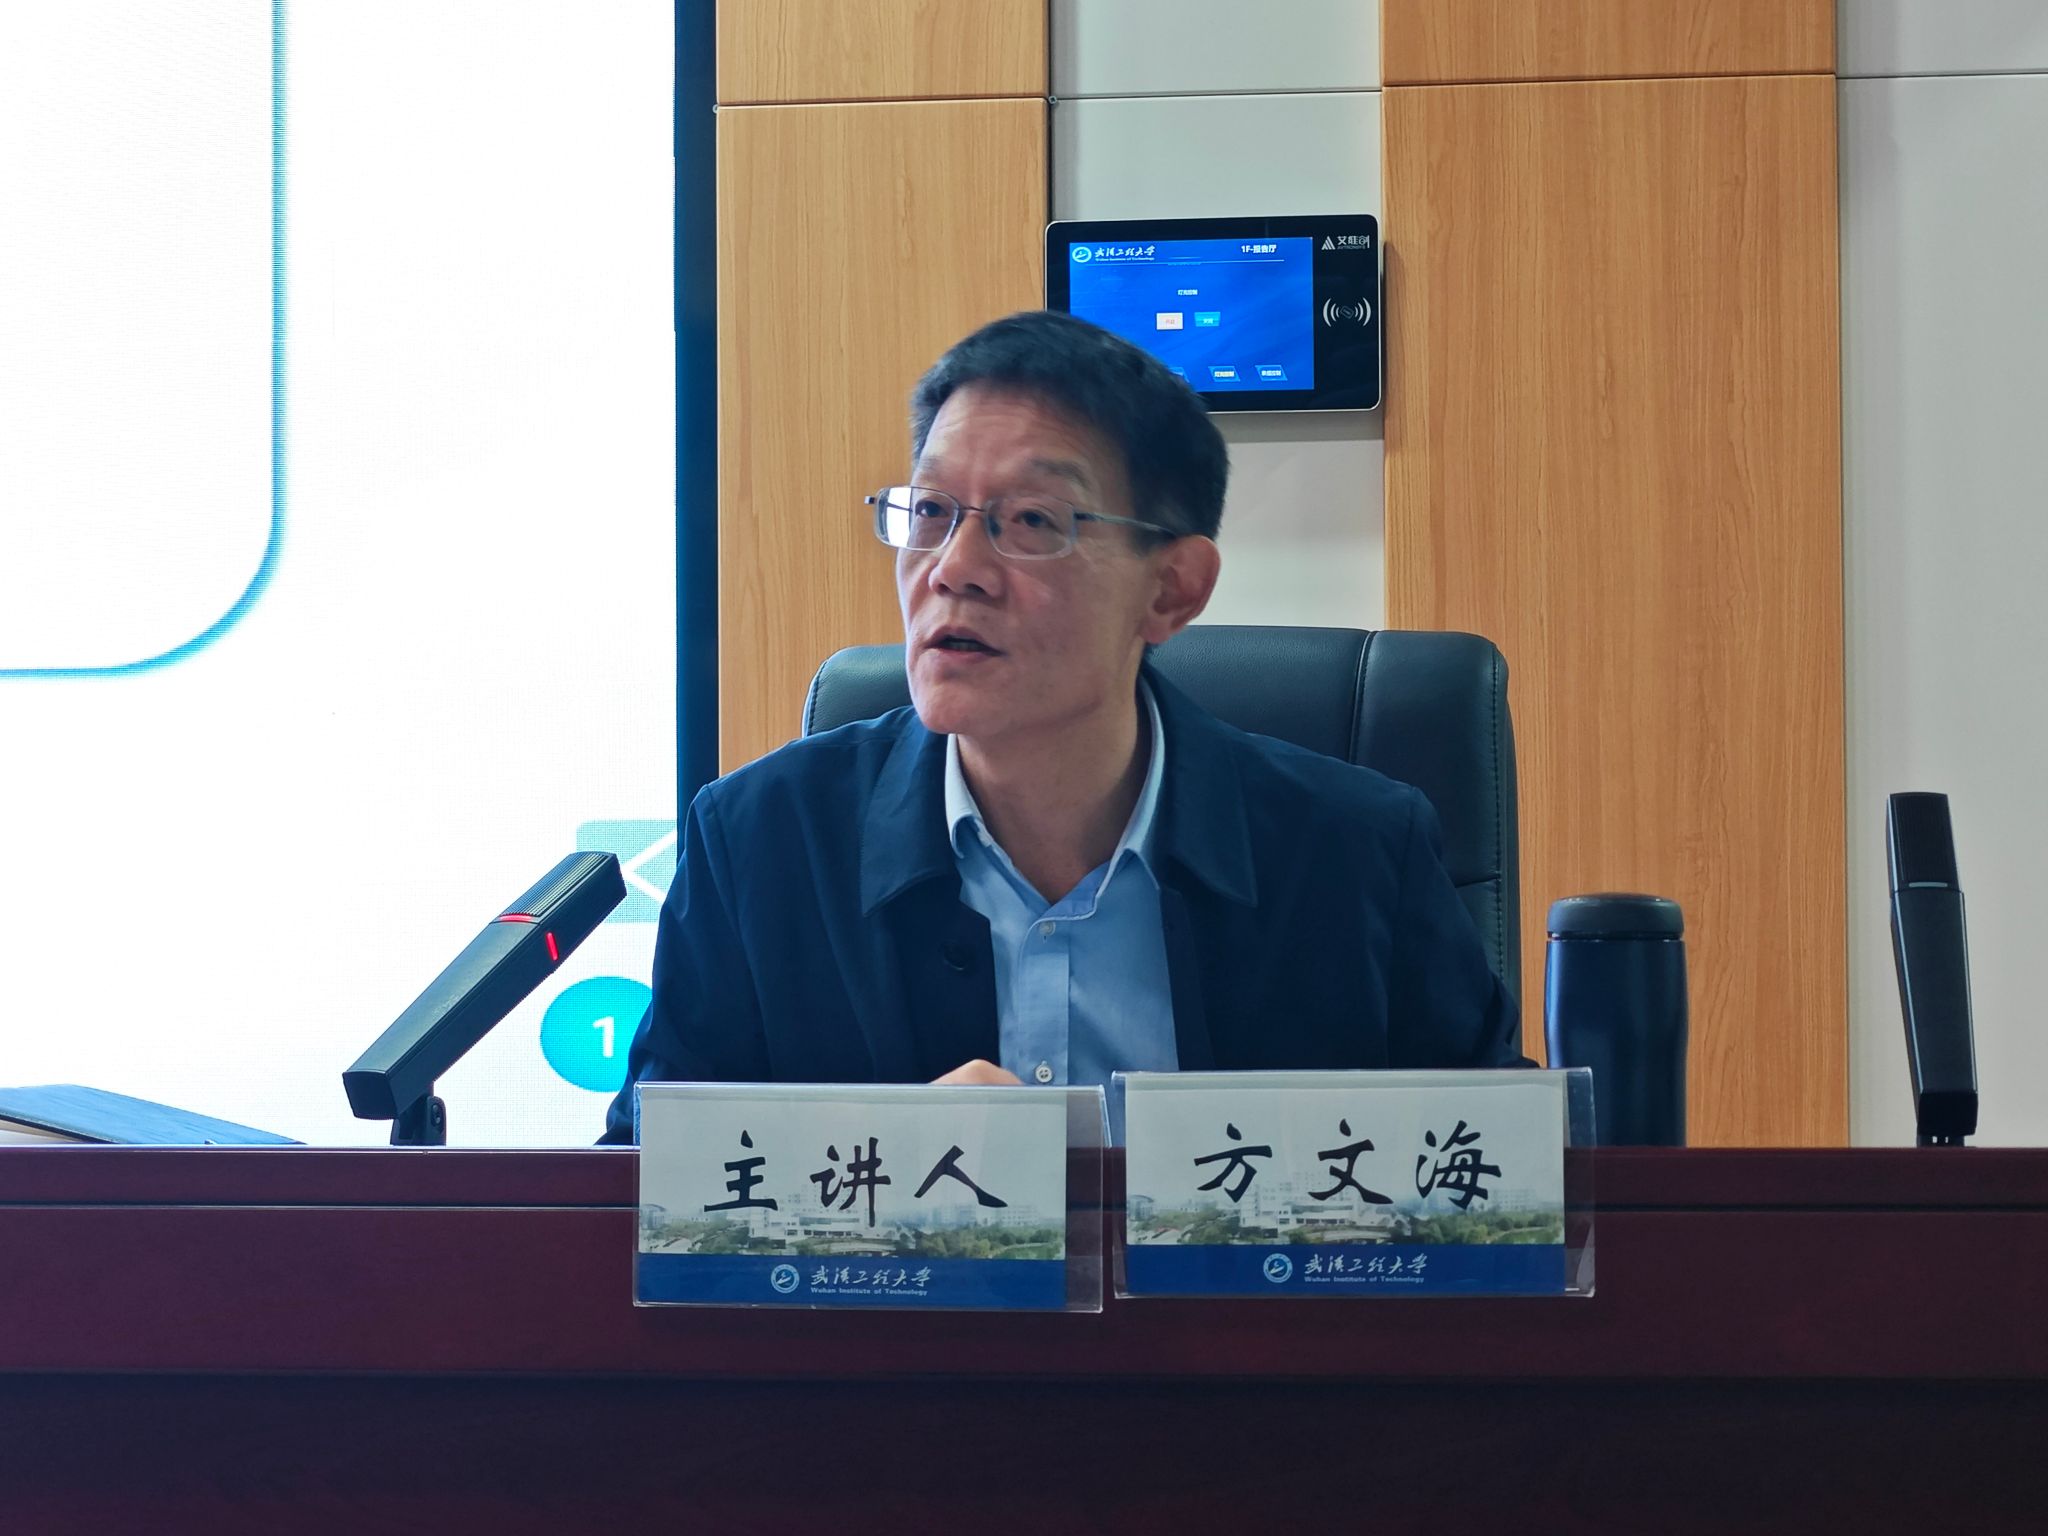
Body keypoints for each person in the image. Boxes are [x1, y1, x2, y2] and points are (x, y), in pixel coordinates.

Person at [601, 310, 1521, 1144]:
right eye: (931, 512)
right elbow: (643, 1196)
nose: (953, 568)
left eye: (1032, 520)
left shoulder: (1356, 855)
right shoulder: (760, 844)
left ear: (1172, 589)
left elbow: (1505, 1184)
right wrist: (884, 1159)